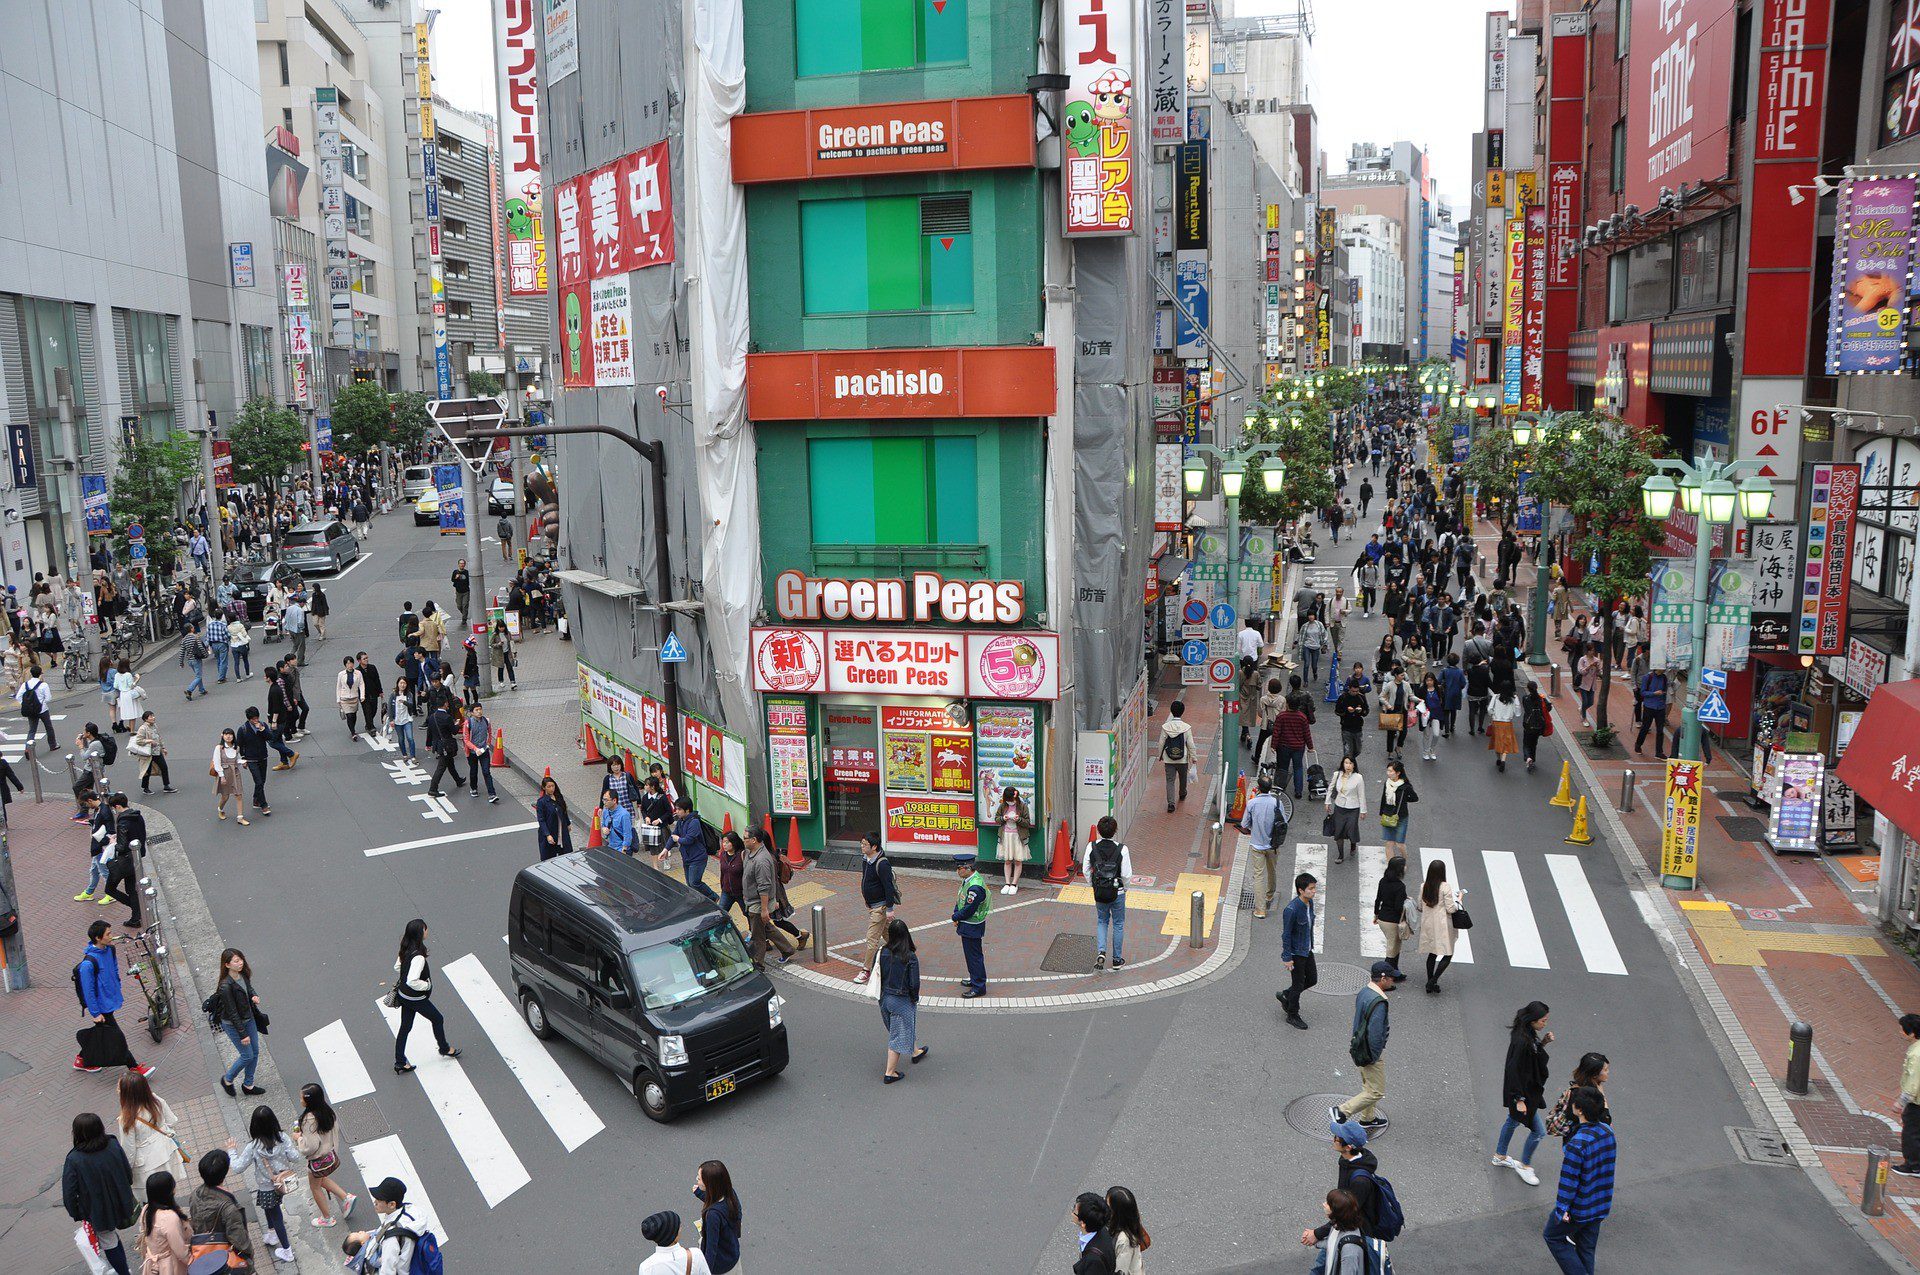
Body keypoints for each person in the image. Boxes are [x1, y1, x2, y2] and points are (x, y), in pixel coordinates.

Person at [1544, 1088, 1617, 1275]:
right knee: (1586, 1248)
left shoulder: (1577, 1144)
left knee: (1552, 1236)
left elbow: (1569, 1182)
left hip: (1580, 1207)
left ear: (1579, 1110)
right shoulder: (1607, 1132)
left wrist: (1562, 1210)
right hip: (1600, 1203)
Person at [63, 1111, 138, 1275]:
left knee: (109, 1241)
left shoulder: (74, 1159)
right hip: (120, 1200)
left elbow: (69, 1194)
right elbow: (126, 1170)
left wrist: (78, 1213)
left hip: (97, 1211)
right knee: (111, 1239)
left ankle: (123, 1272)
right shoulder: (112, 1143)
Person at [76, 919, 152, 1075]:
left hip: (109, 999)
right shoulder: (87, 965)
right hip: (102, 1005)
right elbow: (88, 990)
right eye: (108, 933)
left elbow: (115, 969)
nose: (112, 936)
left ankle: (81, 1059)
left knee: (101, 1032)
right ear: (98, 938)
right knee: (117, 1036)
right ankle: (134, 1067)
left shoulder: (110, 950)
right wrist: (95, 1013)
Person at [227, 1105, 300, 1263]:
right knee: (271, 1209)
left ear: (254, 1126)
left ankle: (287, 1250)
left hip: (266, 1187)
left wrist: (231, 1151)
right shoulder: (283, 1138)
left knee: (276, 1215)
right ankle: (271, 1233)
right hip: (282, 1184)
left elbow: (238, 1167)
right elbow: (295, 1157)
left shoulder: (253, 1147)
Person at [1494, 1000, 1555, 1190]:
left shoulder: (1526, 1034)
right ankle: (1525, 1165)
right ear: (1532, 1020)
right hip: (1523, 1094)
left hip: (1524, 1092)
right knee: (1538, 1132)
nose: (1545, 1024)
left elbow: (1530, 1057)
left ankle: (1500, 1156)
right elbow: (1514, 1069)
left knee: (1512, 1121)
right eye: (1543, 1021)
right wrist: (1519, 1099)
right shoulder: (1522, 1040)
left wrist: (1543, 1042)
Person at [1332, 961, 1396, 1133]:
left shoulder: (1365, 992)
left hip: (1359, 1046)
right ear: (1382, 978)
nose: (1392, 982)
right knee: (1376, 1092)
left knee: (1369, 1086)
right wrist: (1374, 1057)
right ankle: (1342, 1111)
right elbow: (1375, 1033)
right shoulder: (1379, 1002)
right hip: (1369, 1052)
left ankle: (1368, 1119)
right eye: (1390, 979)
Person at [391, 919, 461, 1074]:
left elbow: (397, 967)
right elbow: (412, 981)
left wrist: (407, 969)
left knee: (405, 1027)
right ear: (420, 933)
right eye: (425, 928)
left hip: (403, 996)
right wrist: (426, 985)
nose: (427, 930)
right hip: (416, 999)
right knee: (438, 1018)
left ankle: (400, 1062)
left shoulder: (405, 947)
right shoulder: (418, 957)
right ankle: (444, 1048)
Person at [117, 1071, 185, 1204]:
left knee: (151, 1202)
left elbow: (129, 1151)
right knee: (168, 1194)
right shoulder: (155, 1100)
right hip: (166, 1154)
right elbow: (172, 1120)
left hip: (146, 1165)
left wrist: (126, 1173)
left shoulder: (127, 1118)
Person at [296, 1082, 357, 1227]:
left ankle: (327, 1218)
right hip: (329, 1154)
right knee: (321, 1180)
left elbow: (310, 1147)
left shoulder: (309, 1120)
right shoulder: (327, 1111)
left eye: (302, 1098)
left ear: (309, 1101)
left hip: (317, 1159)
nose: (300, 1100)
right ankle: (346, 1197)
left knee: (315, 1187)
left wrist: (298, 1138)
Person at [186, 1149, 254, 1272]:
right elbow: (240, 1240)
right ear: (225, 1171)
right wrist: (249, 1258)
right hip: (224, 1259)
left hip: (203, 1252)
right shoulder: (229, 1208)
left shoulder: (195, 1195)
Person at [211, 947, 266, 1098]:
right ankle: (228, 1079)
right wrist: (243, 1034)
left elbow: (248, 988)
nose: (240, 963)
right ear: (227, 965)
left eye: (240, 959)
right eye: (236, 961)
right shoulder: (225, 986)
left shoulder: (242, 974)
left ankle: (248, 1084)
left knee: (254, 1053)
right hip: (234, 1025)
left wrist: (253, 995)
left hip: (249, 1019)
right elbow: (233, 1013)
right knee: (247, 1055)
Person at [877, 917, 927, 1081]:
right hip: (901, 1001)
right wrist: (914, 999)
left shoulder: (882, 951)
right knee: (897, 1037)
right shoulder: (910, 956)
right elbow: (914, 983)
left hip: (884, 999)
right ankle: (890, 1073)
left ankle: (915, 1051)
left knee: (900, 1029)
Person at [744, 825, 799, 967]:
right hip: (754, 901)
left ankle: (758, 963)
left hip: (758, 904)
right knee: (767, 927)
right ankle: (787, 949)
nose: (743, 840)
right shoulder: (750, 853)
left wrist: (764, 909)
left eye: (745, 838)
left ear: (754, 840)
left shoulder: (761, 860)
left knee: (758, 936)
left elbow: (764, 887)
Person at [343, 1176, 420, 1275]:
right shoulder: (408, 1211)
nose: (375, 1202)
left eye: (379, 1200)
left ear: (391, 1204)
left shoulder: (391, 1239)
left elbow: (387, 1271)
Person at [1083, 815, 1133, 969]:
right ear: (1115, 831)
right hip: (1117, 892)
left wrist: (1093, 884)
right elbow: (1126, 874)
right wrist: (1124, 888)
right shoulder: (1122, 849)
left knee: (1102, 921)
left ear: (1098, 830)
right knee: (1118, 924)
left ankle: (1101, 951)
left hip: (1099, 892)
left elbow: (1085, 870)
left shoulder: (1091, 847)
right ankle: (1117, 960)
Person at [1274, 872, 1319, 1029]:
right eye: (1311, 889)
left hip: (1307, 949)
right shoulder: (1291, 910)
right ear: (1301, 890)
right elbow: (1286, 934)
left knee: (1312, 979)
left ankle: (1287, 994)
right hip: (1296, 953)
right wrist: (1287, 957)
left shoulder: (1309, 903)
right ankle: (1292, 1014)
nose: (1314, 891)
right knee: (1298, 983)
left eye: (1314, 888)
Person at [853, 832, 899, 984]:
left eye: (865, 844)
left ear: (874, 847)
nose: (862, 846)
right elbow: (865, 879)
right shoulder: (866, 859)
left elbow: (888, 887)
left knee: (872, 938)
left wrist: (890, 908)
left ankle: (866, 970)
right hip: (872, 905)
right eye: (861, 843)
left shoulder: (883, 864)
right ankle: (904, 951)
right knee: (887, 933)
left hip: (880, 907)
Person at [1309, 1188, 1380, 1275]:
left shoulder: (1350, 1250)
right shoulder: (1338, 1225)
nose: (1324, 1204)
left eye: (1328, 1204)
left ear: (1336, 1212)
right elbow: (1334, 1244)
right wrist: (1315, 1242)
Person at [1240, 776, 1283, 918]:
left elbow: (1244, 824)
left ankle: (1260, 909)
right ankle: (1270, 894)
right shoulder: (1277, 802)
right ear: (1271, 787)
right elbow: (1284, 822)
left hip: (1257, 843)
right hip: (1273, 844)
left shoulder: (1252, 803)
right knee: (1272, 870)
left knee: (1259, 876)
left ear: (1258, 787)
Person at [1418, 857, 1462, 993]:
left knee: (1432, 953)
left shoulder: (1424, 885)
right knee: (1448, 953)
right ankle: (1433, 981)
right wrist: (1459, 900)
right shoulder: (1445, 887)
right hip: (1443, 925)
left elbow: (1420, 906)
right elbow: (1451, 909)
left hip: (1428, 924)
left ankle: (1430, 980)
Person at [951, 851, 991, 998]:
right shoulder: (968, 880)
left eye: (959, 868)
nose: (957, 871)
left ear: (968, 868)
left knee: (974, 956)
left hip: (972, 925)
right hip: (968, 923)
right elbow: (961, 899)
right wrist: (956, 913)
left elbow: (969, 908)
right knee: (971, 955)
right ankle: (975, 978)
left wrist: (956, 916)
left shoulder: (975, 887)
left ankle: (979, 986)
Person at [136, 1170, 191, 1275]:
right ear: (170, 1191)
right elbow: (180, 1251)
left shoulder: (147, 1209)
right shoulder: (169, 1217)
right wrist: (194, 1262)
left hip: (152, 1264)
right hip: (170, 1266)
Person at [693, 1160, 743, 1275]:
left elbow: (711, 1248)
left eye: (699, 1178)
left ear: (709, 1184)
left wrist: (706, 1272)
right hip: (733, 1257)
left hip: (720, 1269)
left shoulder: (712, 1215)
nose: (697, 1179)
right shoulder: (730, 1193)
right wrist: (700, 1193)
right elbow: (737, 1213)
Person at [1372, 853, 1411, 981]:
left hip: (1383, 918)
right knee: (1391, 950)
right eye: (1404, 866)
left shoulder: (1383, 881)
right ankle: (1385, 978)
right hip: (1393, 921)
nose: (1406, 868)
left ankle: (1395, 972)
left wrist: (1376, 914)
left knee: (1395, 946)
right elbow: (1398, 907)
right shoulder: (1400, 886)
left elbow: (1378, 899)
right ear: (1399, 869)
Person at [638, 1210, 712, 1275]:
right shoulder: (695, 1254)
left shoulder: (646, 1267)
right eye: (679, 1226)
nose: (681, 1228)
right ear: (673, 1235)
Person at [991, 785, 1034, 893]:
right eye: (1009, 800)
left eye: (1012, 800)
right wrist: (1003, 818)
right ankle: (1007, 883)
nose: (1010, 802)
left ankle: (1014, 884)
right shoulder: (1003, 806)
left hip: (1018, 837)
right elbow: (996, 818)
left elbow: (1027, 822)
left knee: (1018, 861)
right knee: (1007, 860)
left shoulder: (1023, 806)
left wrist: (1018, 819)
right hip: (1005, 836)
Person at [1271, 694, 1314, 800]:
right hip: (1298, 747)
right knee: (1298, 767)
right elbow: (1306, 733)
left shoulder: (1281, 716)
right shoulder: (1302, 717)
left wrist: (1273, 745)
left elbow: (1277, 732)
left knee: (1283, 768)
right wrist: (1310, 746)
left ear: (1288, 704)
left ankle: (1280, 788)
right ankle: (1298, 791)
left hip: (1284, 746)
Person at [234, 708, 274, 817]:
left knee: (262, 781)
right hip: (251, 759)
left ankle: (256, 799)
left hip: (263, 757)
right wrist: (242, 759)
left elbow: (271, 737)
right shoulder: (243, 729)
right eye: (253, 719)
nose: (255, 720)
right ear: (249, 719)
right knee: (259, 781)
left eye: (257, 718)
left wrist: (262, 729)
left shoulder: (263, 725)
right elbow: (239, 745)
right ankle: (263, 805)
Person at [1324, 754, 1364, 864]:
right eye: (1346, 763)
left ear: (1354, 765)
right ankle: (1340, 855)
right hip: (1339, 807)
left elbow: (1361, 795)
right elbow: (1330, 788)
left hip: (1353, 808)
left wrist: (1363, 810)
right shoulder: (1337, 775)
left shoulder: (1358, 777)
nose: (1348, 765)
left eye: (1350, 763)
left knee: (1351, 829)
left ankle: (1353, 844)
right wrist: (1327, 802)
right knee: (1339, 831)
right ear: (1343, 764)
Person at [1105, 1185, 1149, 1275]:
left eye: (1108, 1205)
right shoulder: (1129, 1223)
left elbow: (1121, 1271)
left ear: (1117, 1212)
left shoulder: (1124, 1241)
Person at [1072, 1191, 1119, 1275]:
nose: (1072, 1212)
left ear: (1083, 1223)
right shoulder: (1102, 1229)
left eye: (1074, 1210)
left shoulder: (1093, 1260)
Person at [128, 711, 174, 795]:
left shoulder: (154, 726)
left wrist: (163, 748)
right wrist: (149, 741)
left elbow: (159, 737)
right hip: (147, 753)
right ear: (146, 719)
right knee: (147, 771)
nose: (153, 718)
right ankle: (145, 788)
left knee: (164, 767)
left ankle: (166, 786)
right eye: (151, 716)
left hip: (156, 751)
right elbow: (139, 741)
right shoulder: (143, 728)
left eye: (153, 716)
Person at [1159, 701, 1194, 811]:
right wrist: (1194, 757)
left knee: (1170, 780)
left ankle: (1171, 803)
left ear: (1171, 711)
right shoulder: (1186, 727)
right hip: (1182, 759)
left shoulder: (1165, 727)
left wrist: (1160, 755)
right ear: (1182, 712)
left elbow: (1161, 742)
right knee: (1183, 778)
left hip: (1169, 759)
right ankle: (1182, 793)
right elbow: (1191, 744)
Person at [1898, 1013, 1920, 1175]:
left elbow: (1913, 1082)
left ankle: (1913, 1165)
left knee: (1911, 1132)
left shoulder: (1916, 1054)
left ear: (1912, 1033)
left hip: (1917, 1102)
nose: (1901, 1032)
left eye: (1903, 1030)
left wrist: (1901, 1102)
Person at [463, 701, 498, 802]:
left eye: (480, 709)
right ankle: (473, 788)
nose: (479, 712)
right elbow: (466, 740)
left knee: (486, 771)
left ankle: (492, 794)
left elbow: (490, 733)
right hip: (472, 752)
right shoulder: (468, 723)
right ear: (472, 712)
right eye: (476, 710)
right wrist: (475, 749)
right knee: (473, 771)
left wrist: (487, 744)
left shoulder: (486, 721)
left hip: (484, 751)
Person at [1378, 760, 1416, 849]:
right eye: (1388, 770)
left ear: (1398, 773)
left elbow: (1415, 798)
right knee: (1389, 843)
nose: (1388, 773)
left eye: (1391, 771)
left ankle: (1404, 862)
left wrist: (1403, 800)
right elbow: (1384, 798)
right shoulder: (1387, 783)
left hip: (1401, 817)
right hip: (1388, 814)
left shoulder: (1405, 786)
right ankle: (1390, 862)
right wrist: (1381, 813)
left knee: (1400, 844)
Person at [1634, 665, 1670, 758]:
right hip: (1649, 707)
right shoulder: (1648, 677)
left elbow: (1665, 690)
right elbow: (1643, 692)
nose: (1664, 669)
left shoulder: (1664, 678)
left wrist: (1663, 695)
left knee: (1660, 730)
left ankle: (1659, 752)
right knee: (1645, 728)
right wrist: (1654, 693)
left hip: (1660, 707)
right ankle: (1638, 745)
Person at [536, 776, 574, 859]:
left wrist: (568, 823)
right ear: (544, 788)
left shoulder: (559, 797)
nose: (551, 788)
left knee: (566, 855)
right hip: (550, 831)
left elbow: (564, 811)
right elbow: (541, 820)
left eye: (553, 786)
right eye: (549, 787)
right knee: (549, 858)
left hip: (561, 831)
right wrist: (547, 835)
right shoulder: (541, 802)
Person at [664, 794, 702, 873]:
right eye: (676, 809)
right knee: (689, 883)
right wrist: (666, 849)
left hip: (697, 858)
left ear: (687, 810)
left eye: (679, 809)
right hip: (686, 857)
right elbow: (673, 835)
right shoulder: (681, 821)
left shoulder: (694, 822)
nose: (676, 811)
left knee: (694, 883)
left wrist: (677, 839)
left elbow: (688, 840)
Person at [1335, 677, 1370, 762]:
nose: (1355, 693)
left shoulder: (1361, 697)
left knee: (1358, 750)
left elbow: (1366, 710)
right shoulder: (1343, 697)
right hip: (1346, 727)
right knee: (1347, 751)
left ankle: (1351, 761)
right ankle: (1348, 765)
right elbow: (1337, 711)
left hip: (1358, 727)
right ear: (1349, 689)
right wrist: (1346, 710)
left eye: (1357, 691)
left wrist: (1361, 711)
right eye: (1353, 691)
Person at [17, 661, 51, 746]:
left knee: (32, 730)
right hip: (42, 710)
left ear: (31, 674)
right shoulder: (44, 685)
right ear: (40, 674)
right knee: (48, 728)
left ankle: (28, 748)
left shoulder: (25, 684)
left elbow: (18, 696)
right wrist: (42, 702)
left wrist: (25, 704)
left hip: (30, 710)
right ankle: (53, 745)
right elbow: (48, 699)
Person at [1487, 687, 1520, 772]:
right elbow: (1518, 712)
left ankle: (1498, 759)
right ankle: (1503, 760)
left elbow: (1489, 709)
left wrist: (1493, 715)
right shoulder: (1513, 699)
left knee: (1496, 741)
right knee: (1506, 742)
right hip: (1507, 723)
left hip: (1496, 723)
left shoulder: (1496, 697)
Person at [1521, 681, 1551, 772]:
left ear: (1528, 689)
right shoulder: (1542, 699)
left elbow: (1525, 708)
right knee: (1534, 743)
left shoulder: (1525, 698)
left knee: (1526, 743)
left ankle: (1528, 758)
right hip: (1539, 726)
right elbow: (1549, 707)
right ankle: (1532, 760)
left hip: (1528, 725)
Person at [599, 788, 636, 854]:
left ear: (614, 800)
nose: (604, 803)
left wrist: (624, 850)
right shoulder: (605, 811)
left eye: (606, 800)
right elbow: (603, 824)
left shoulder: (624, 815)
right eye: (603, 800)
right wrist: (603, 828)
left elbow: (627, 834)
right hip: (611, 847)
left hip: (621, 849)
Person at [336, 655, 364, 740]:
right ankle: (353, 732)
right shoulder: (341, 674)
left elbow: (361, 684)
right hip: (344, 698)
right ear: (345, 665)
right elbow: (339, 687)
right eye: (348, 663)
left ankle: (353, 728)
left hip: (354, 697)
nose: (350, 665)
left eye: (351, 663)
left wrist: (362, 695)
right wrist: (338, 698)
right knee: (349, 715)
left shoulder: (358, 673)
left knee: (354, 715)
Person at [389, 678, 418, 759]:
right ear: (398, 684)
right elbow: (390, 707)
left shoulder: (409, 694)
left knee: (410, 738)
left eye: (404, 683)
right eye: (401, 683)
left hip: (407, 719)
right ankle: (404, 755)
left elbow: (411, 705)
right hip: (397, 720)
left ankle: (413, 756)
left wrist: (404, 702)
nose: (402, 685)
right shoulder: (394, 695)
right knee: (401, 739)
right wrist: (391, 719)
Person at [490, 616, 517, 689]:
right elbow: (491, 644)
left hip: (507, 653)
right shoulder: (495, 634)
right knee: (501, 668)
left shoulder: (507, 633)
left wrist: (514, 652)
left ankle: (513, 682)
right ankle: (501, 681)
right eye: (500, 627)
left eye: (503, 627)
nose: (502, 628)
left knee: (510, 667)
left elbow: (511, 642)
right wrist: (498, 644)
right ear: (497, 627)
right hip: (499, 654)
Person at [450, 559, 471, 629]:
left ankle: (464, 619)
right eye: (460, 563)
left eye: (463, 563)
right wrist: (456, 578)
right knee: (459, 606)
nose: (462, 565)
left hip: (466, 591)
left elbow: (469, 581)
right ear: (458, 564)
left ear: (464, 565)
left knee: (465, 605)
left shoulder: (466, 572)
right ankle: (464, 614)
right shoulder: (455, 572)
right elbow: (452, 580)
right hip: (458, 592)